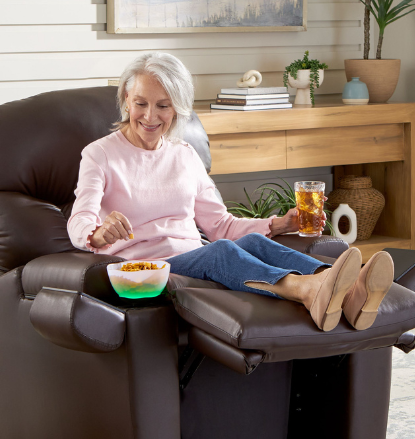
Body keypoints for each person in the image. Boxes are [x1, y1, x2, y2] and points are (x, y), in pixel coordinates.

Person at [66, 51, 394, 332]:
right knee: (221, 251)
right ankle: (307, 291)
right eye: (140, 103)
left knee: (250, 242)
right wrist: (97, 234)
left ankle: (349, 289)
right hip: (149, 271)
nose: (150, 116)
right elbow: (80, 218)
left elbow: (220, 225)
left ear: (178, 108)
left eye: (163, 106)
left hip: (191, 259)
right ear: (126, 98)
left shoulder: (184, 155)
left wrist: (278, 225)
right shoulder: (102, 154)